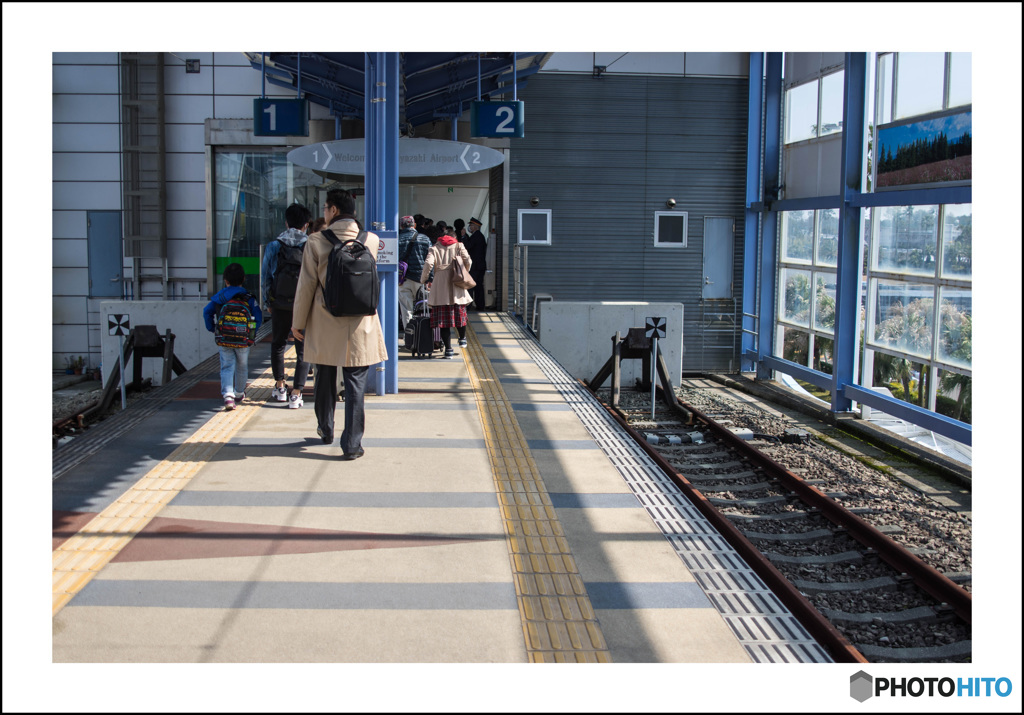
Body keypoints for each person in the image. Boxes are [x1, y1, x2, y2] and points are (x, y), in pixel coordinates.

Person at [291, 189, 387, 460]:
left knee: (324, 376)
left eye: (325, 208)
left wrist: (297, 323)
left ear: (333, 210)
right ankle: (353, 445)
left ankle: (326, 428)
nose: (324, 212)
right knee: (356, 383)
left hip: (325, 320)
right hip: (361, 323)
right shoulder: (371, 240)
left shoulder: (316, 241)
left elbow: (306, 285)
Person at [261, 203, 312, 409]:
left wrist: (267, 302)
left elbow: (266, 277)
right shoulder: (311, 245)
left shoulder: (274, 245)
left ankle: (281, 387)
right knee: (303, 349)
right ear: (306, 225)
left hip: (279, 302)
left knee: (279, 344)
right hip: (303, 305)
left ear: (286, 222)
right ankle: (297, 394)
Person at [203, 262, 263, 410]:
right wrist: (250, 333)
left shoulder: (219, 297)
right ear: (243, 279)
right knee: (242, 365)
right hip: (243, 339)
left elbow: (207, 311)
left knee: (227, 365)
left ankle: (228, 396)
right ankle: (239, 393)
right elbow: (258, 316)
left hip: (224, 338)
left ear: (226, 280)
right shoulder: (248, 297)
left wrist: (214, 329)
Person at [420, 227, 473, 357]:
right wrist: (464, 272)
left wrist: (423, 279)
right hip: (456, 284)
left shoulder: (434, 248)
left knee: (443, 322)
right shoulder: (459, 246)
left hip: (440, 285)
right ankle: (462, 339)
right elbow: (469, 261)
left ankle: (448, 350)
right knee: (460, 315)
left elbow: (428, 264)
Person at [397, 215, 432, 335]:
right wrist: (430, 278)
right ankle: (423, 336)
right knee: (424, 308)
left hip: (403, 279)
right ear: (414, 225)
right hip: (421, 279)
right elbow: (431, 261)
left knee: (406, 310)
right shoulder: (425, 239)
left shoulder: (398, 239)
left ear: (401, 226)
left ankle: (410, 337)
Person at [462, 216, 488, 310]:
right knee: (478, 286)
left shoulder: (477, 236)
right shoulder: (479, 236)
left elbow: (468, 246)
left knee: (472, 285)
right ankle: (479, 305)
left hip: (476, 266)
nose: (470, 227)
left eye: (471, 225)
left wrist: (464, 236)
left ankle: (469, 306)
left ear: (476, 226)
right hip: (479, 265)